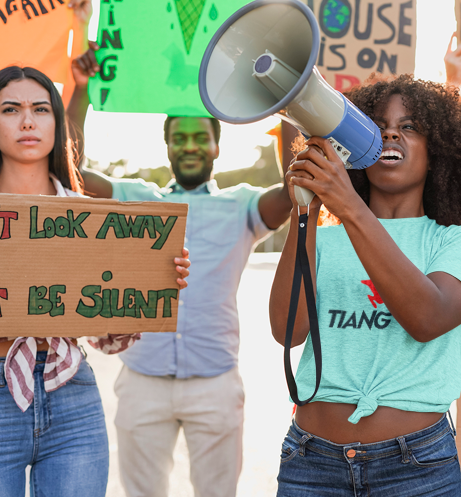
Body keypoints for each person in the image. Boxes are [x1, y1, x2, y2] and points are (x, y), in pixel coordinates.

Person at [269, 74, 461, 496]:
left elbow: (427, 317)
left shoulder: (460, 241)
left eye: (410, 126)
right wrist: (303, 212)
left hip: (415, 467)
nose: (390, 133)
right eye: (377, 124)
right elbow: (287, 331)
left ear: (439, 152)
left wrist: (348, 208)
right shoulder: (324, 237)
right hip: (310, 462)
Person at [67, 46, 294, 497]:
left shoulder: (243, 205)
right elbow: (69, 172)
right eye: (180, 137)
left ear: (215, 145)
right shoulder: (134, 198)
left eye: (199, 137)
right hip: (142, 383)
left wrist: (287, 104)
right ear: (167, 145)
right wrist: (80, 92)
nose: (190, 145)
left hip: (216, 385)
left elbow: (294, 188)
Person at [0, 66, 190, 497]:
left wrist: (154, 279)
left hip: (71, 394)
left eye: (41, 109)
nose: (28, 121)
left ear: (56, 123)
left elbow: (109, 331)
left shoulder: (93, 219)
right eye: (11, 109)